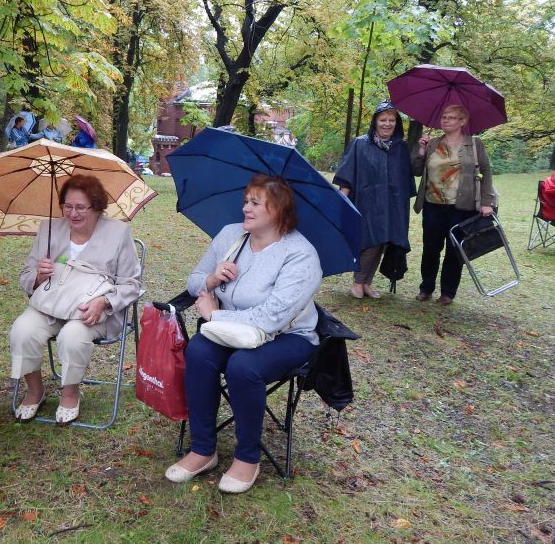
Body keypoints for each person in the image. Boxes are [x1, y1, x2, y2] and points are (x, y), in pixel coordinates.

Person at [164, 174, 322, 494]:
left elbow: (271, 318)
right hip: (231, 331)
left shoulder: (300, 255)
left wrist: (214, 314)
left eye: (255, 203)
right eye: (246, 201)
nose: (245, 208)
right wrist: (211, 279)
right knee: (198, 351)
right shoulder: (230, 235)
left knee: (243, 366)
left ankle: (247, 457)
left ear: (278, 210)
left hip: (288, 336)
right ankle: (203, 449)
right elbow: (194, 281)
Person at [9, 174, 140, 424]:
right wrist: (39, 275)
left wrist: (104, 302)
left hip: (92, 310)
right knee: (21, 331)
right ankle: (35, 390)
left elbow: (132, 284)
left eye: (81, 207)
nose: (73, 213)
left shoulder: (118, 232)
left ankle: (70, 394)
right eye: (67, 206)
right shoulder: (49, 229)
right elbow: (25, 276)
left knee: (72, 336)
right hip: (51, 304)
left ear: (97, 207)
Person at [412, 104, 495, 306]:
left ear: (462, 121)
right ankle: (426, 287)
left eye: (452, 117)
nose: (446, 120)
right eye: (444, 117)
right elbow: (416, 170)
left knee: (455, 249)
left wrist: (487, 202)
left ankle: (448, 292)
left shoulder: (474, 144)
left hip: (462, 207)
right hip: (433, 204)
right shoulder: (432, 143)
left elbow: (486, 172)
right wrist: (421, 150)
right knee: (431, 248)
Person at [333, 101, 415, 298]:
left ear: (396, 123)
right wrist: (342, 199)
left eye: (391, 120)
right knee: (370, 241)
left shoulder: (400, 147)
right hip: (367, 200)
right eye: (383, 120)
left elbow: (406, 176)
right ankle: (358, 282)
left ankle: (366, 283)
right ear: (375, 122)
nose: (387, 124)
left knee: (384, 241)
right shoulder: (360, 144)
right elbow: (348, 173)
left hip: (392, 202)